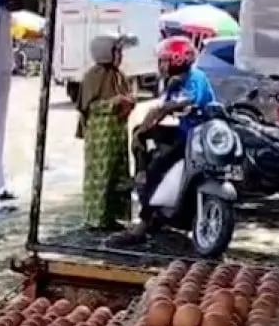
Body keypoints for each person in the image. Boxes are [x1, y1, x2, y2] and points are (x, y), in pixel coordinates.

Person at [108, 36, 216, 247]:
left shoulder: (196, 78)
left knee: (157, 168)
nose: (161, 66)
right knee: (140, 135)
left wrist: (158, 113)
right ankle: (140, 175)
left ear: (177, 60)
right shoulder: (175, 82)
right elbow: (161, 109)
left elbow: (173, 105)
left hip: (197, 138)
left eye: (164, 60)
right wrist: (144, 129)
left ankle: (144, 222)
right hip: (185, 133)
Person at [76, 35, 135, 231]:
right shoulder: (94, 76)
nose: (120, 56)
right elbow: (89, 107)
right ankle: (97, 219)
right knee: (101, 176)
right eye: (117, 52)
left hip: (117, 133)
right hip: (101, 135)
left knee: (117, 174)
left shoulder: (119, 75)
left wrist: (128, 102)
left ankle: (114, 216)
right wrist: (113, 102)